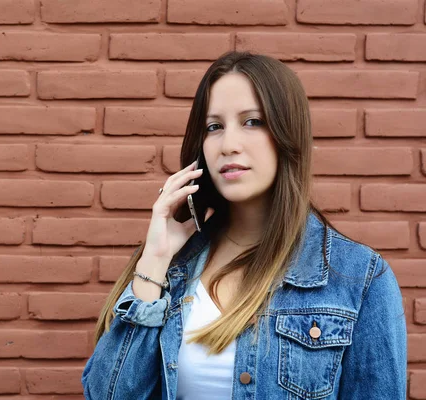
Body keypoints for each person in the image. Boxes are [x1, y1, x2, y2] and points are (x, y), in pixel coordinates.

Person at [81, 51, 407, 400]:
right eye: (214, 127)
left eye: (252, 122)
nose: (228, 145)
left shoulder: (359, 279)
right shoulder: (171, 269)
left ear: (287, 135)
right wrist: (155, 260)